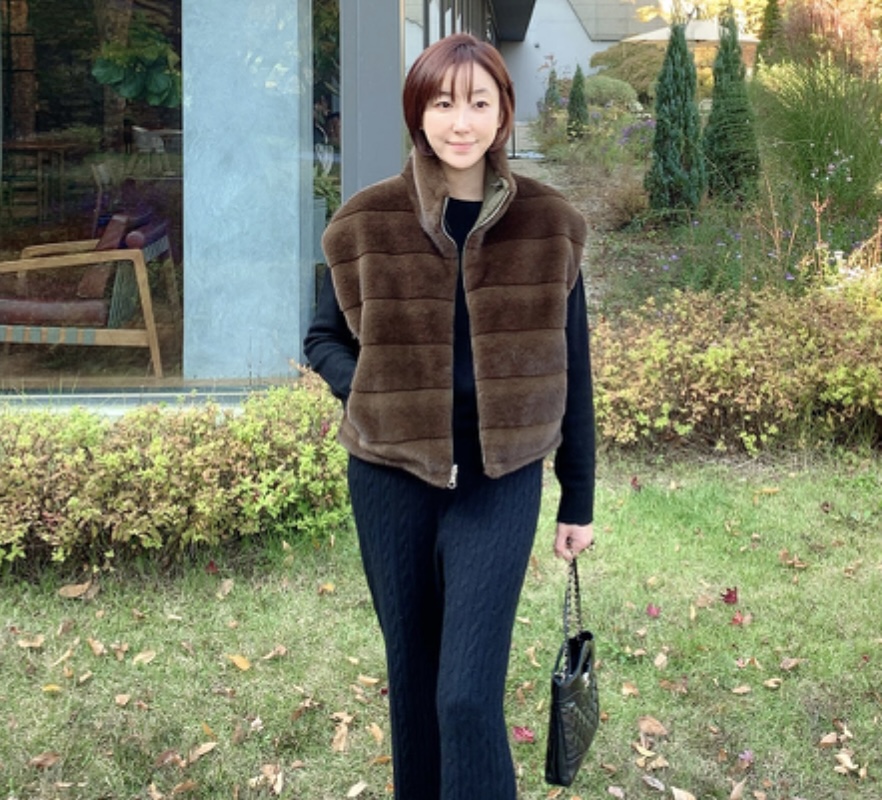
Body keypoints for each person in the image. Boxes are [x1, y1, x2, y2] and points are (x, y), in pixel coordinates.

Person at [303, 32, 596, 800]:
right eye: (441, 103)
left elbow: (575, 369)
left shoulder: (550, 226)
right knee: (414, 683)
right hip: (391, 479)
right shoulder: (366, 222)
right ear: (418, 113)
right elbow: (322, 338)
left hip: (501, 481)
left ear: (503, 114)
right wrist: (372, 388)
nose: (459, 122)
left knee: (465, 695)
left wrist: (579, 498)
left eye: (477, 102)